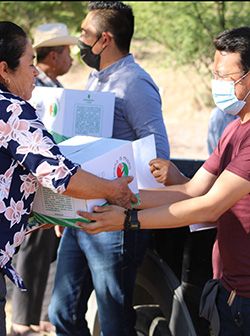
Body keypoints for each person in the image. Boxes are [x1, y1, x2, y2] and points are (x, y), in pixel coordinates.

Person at [79, 26, 250, 336]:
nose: (218, 85)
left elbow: (208, 207)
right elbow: (191, 190)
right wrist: (113, 194)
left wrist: (129, 220)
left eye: (228, 79)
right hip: (229, 287)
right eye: (215, 74)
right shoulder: (234, 129)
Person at [0, 20, 135, 336]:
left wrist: (39, 214)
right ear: (4, 69)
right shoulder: (12, 110)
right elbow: (61, 175)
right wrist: (112, 190)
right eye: (30, 63)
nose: (35, 72)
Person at [48, 2, 170, 336]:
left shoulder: (135, 84)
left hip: (115, 220)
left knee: (114, 320)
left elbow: (158, 153)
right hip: (82, 215)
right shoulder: (95, 79)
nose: (79, 41)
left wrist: (126, 199)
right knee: (62, 311)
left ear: (105, 39)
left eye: (85, 34)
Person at [11, 23, 77, 336]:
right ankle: (23, 319)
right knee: (32, 250)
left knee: (42, 252)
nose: (72, 59)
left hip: (45, 181)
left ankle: (33, 316)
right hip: (40, 180)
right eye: (66, 52)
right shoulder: (22, 99)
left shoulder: (56, 88)